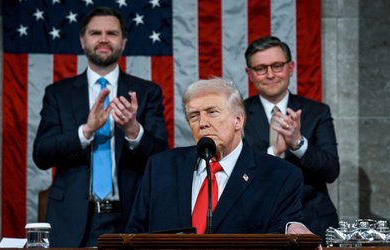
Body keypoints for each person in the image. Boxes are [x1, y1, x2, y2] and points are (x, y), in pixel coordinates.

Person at [32, 7, 169, 247]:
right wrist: (85, 131)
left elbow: (162, 157)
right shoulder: (58, 93)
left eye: (112, 33)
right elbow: (42, 154)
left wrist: (133, 131)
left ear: (123, 42)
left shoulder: (147, 92)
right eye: (95, 33)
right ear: (83, 40)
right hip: (71, 218)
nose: (104, 39)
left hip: (130, 216)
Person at [125, 77, 312, 235]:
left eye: (212, 112)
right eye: (194, 116)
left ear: (238, 120)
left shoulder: (279, 175)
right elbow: (135, 234)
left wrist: (293, 227)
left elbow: (285, 225)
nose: (202, 123)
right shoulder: (161, 167)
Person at [243, 36, 340, 241]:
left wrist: (298, 143)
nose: (270, 74)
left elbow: (331, 171)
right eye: (260, 68)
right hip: (256, 224)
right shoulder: (238, 114)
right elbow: (234, 172)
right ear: (249, 74)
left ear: (291, 67)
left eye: (277, 66)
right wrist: (273, 154)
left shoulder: (317, 112)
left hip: (313, 222)